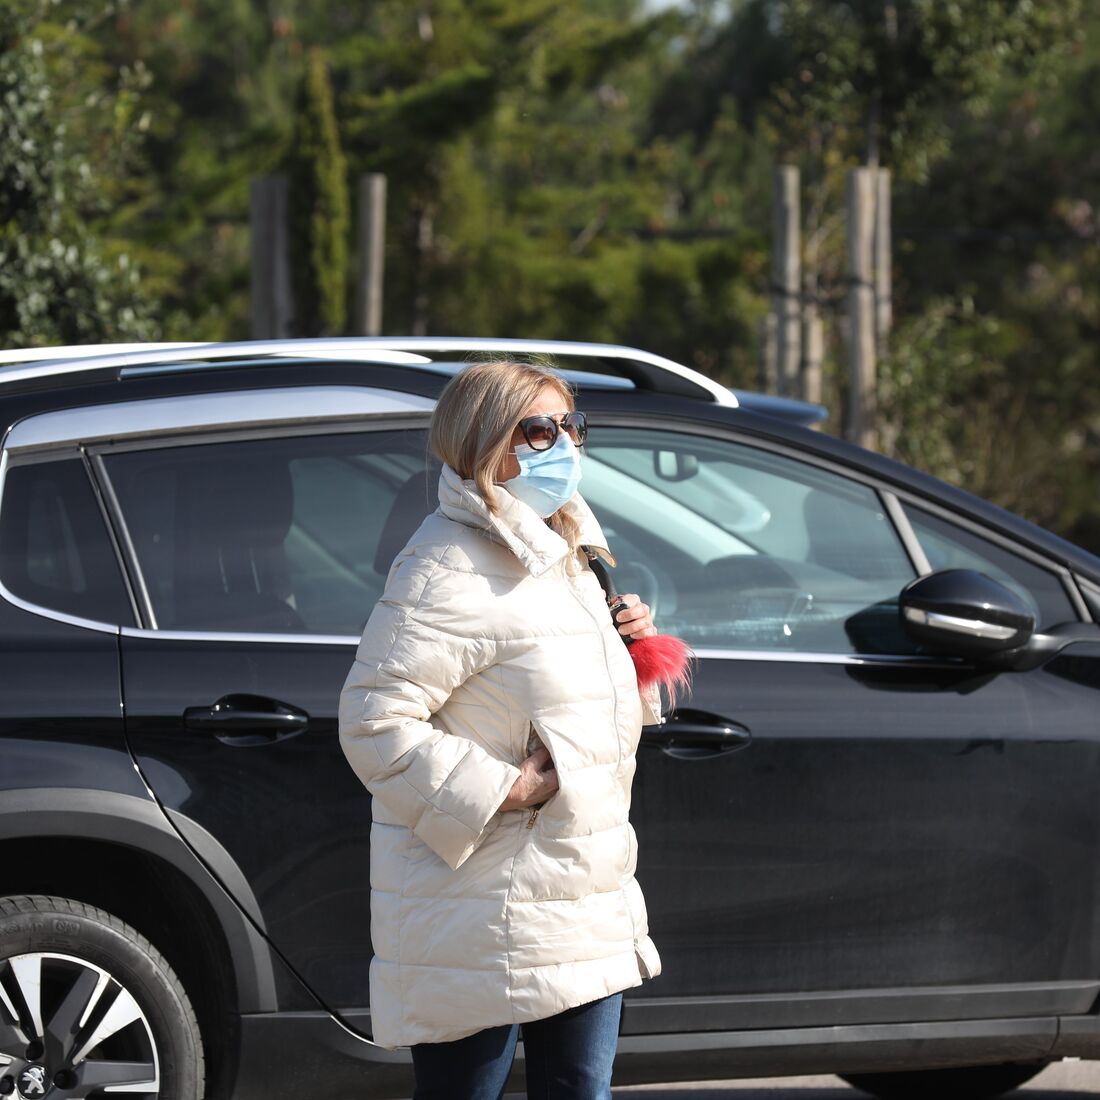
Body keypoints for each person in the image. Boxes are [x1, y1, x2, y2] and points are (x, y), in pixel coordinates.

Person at [338, 359, 663, 1100]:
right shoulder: (447, 566)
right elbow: (371, 720)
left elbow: (564, 706)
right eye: (540, 430)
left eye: (571, 427)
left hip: (579, 894)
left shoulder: (569, 554)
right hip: (478, 912)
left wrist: (630, 654)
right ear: (485, 442)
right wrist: (503, 788)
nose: (565, 446)